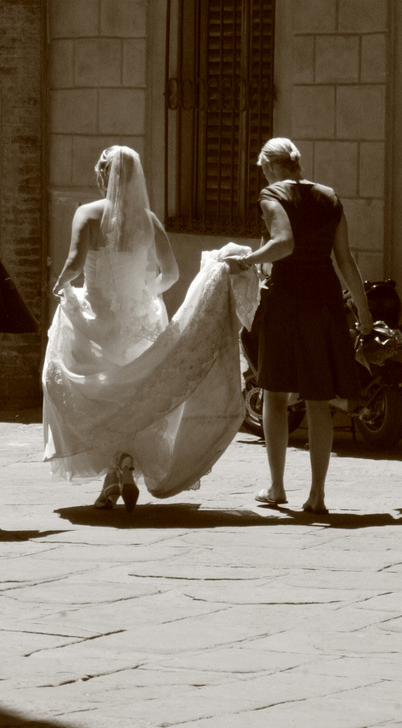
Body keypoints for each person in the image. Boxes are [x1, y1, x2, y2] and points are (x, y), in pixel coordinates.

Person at [42, 145, 252, 511]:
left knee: (92, 392)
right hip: (139, 324)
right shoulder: (149, 220)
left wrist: (59, 284)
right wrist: (144, 296)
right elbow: (170, 274)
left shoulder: (88, 214)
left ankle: (116, 469)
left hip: (97, 320)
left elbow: (75, 263)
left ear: (103, 176)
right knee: (135, 397)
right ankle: (120, 467)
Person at [220, 137, 373, 516]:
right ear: (297, 164)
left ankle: (276, 487)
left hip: (287, 301)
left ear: (271, 168)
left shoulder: (271, 194)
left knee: (274, 393)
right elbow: (345, 260)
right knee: (319, 399)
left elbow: (283, 244)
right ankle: (317, 495)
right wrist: (365, 314)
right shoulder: (330, 197)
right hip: (324, 301)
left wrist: (247, 260)